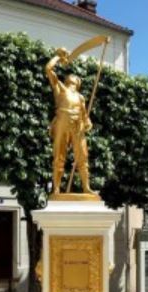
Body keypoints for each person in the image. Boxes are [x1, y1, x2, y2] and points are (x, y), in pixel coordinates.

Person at [45, 47, 95, 195]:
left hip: (77, 125)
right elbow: (48, 69)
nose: (73, 78)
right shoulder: (60, 87)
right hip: (62, 121)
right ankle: (56, 188)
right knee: (59, 156)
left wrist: (87, 122)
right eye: (72, 77)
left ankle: (86, 187)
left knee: (82, 156)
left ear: (78, 83)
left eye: (76, 79)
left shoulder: (81, 97)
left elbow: (85, 115)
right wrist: (58, 57)